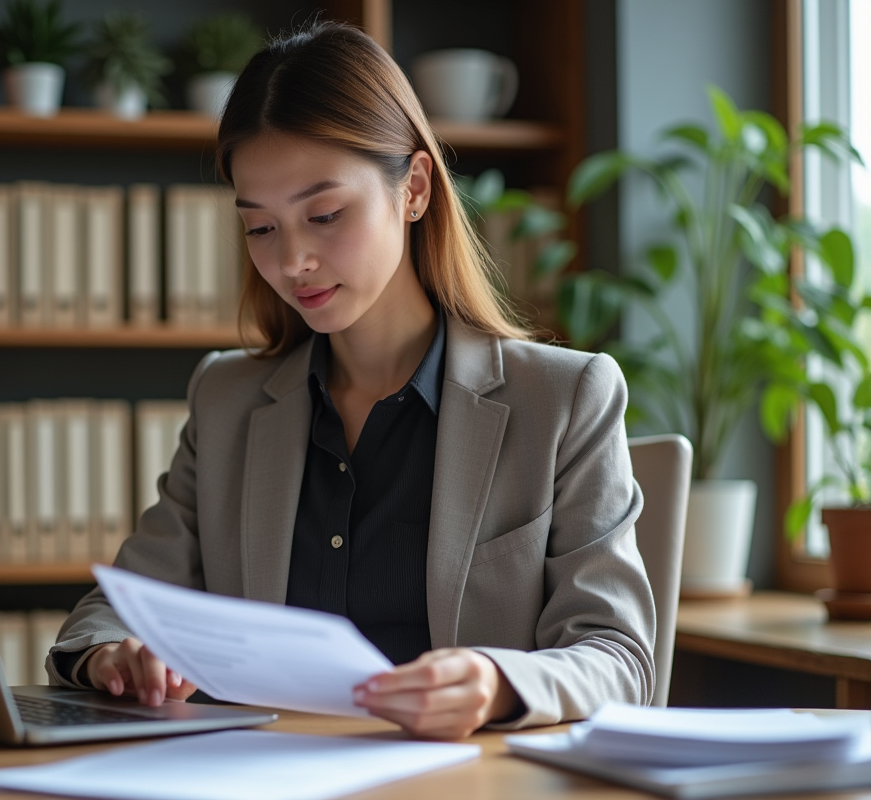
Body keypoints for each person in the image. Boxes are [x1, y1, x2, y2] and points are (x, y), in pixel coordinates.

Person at [47, 21, 655, 739]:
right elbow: (115, 606)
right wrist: (115, 655)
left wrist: (498, 683)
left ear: (415, 189)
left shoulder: (563, 399)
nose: (293, 261)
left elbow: (619, 656)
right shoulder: (228, 400)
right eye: (261, 228)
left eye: (324, 214)